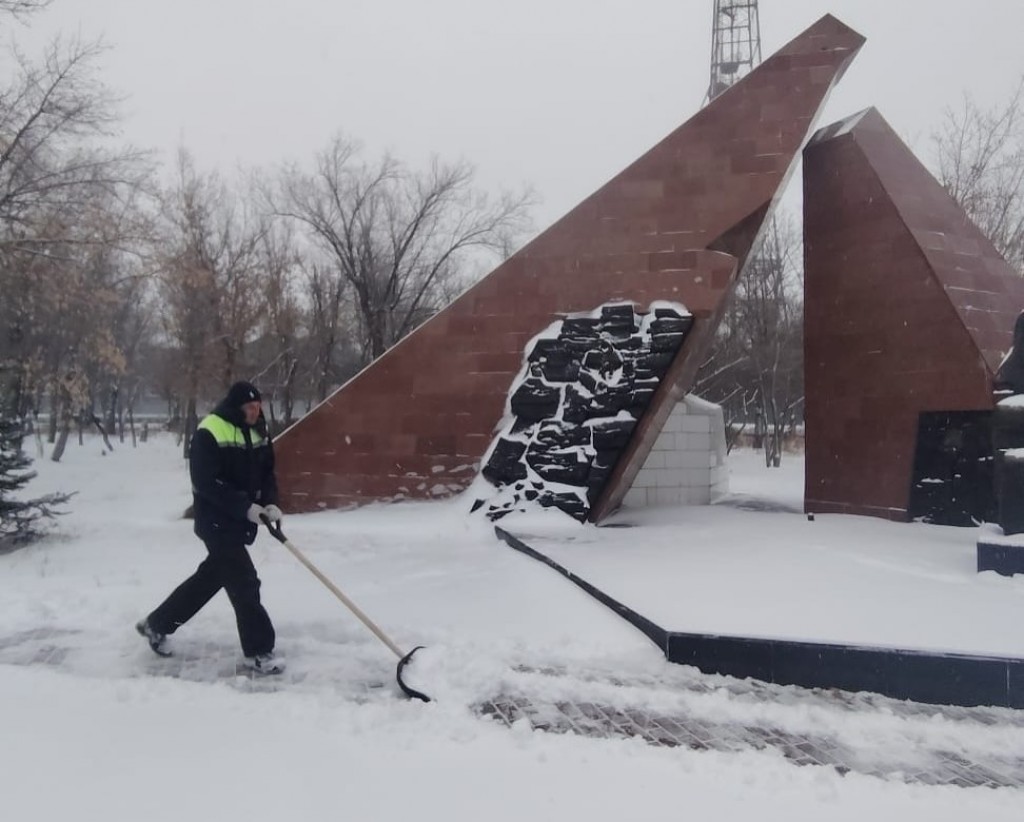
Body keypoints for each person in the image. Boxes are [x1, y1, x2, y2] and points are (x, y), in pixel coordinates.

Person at [136, 381, 285, 674]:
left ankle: (157, 624)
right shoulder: (210, 431)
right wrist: (244, 507)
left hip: (240, 520)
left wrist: (270, 502)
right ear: (236, 407)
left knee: (210, 579)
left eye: (258, 407)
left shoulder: (259, 431)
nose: (255, 412)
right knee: (245, 583)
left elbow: (267, 472)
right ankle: (259, 651)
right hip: (216, 521)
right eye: (250, 408)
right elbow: (207, 483)